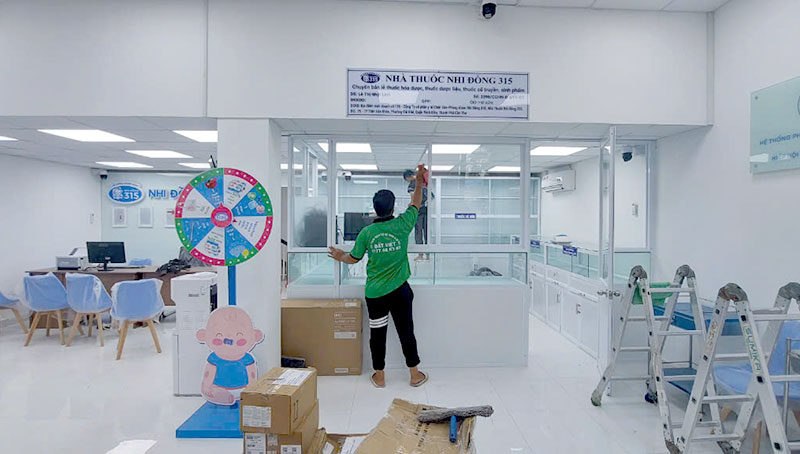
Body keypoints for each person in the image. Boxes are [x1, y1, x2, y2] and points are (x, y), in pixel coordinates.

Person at [328, 166, 429, 388]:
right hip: (401, 291)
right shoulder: (403, 224)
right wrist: (419, 181)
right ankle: (414, 375)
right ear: (393, 207)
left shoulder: (367, 233)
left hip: (376, 295)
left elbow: (353, 258)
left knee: (378, 334)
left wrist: (339, 256)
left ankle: (380, 376)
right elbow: (416, 201)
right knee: (406, 331)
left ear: (375, 209)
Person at [403, 168, 433, 261]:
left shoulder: (412, 183)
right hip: (426, 210)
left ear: (408, 177)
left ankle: (420, 255)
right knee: (426, 232)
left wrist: (411, 205)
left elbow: (413, 196)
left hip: (418, 212)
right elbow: (432, 196)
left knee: (418, 232)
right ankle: (428, 255)